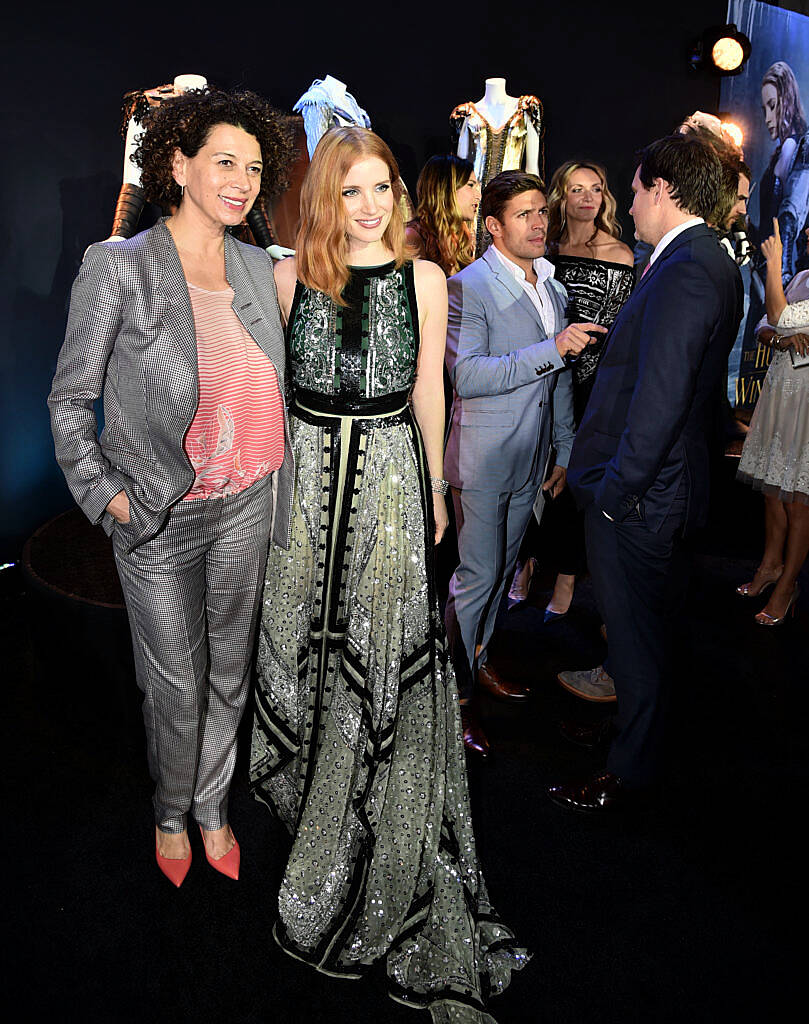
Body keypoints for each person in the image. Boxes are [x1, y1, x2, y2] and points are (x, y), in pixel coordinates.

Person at [249, 126, 528, 1019]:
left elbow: (428, 392)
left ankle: (376, 813)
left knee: (381, 653)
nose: (369, 207)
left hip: (389, 484)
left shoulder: (425, 280)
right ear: (324, 199)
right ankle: (311, 797)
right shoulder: (290, 275)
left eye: (381, 189)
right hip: (305, 484)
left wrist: (440, 491)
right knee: (300, 650)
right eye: (351, 192)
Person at [48, 88, 295, 886]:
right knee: (176, 684)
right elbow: (67, 399)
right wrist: (107, 495)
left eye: (255, 168)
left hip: (249, 503)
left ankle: (214, 807)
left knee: (231, 670)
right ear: (179, 165)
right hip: (158, 515)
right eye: (225, 162)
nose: (242, 180)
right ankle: (169, 810)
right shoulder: (117, 266)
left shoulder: (260, 264)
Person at [549, 134, 743, 812]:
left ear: (662, 188)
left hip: (641, 494)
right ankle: (628, 733)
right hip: (661, 486)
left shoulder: (688, 265)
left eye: (632, 190)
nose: (626, 204)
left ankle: (628, 771)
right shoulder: (705, 257)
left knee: (635, 638)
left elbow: (661, 396)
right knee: (643, 631)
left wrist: (613, 492)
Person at [442, 169, 605, 756]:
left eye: (542, 211)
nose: (539, 222)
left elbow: (558, 379)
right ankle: (451, 696)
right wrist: (553, 348)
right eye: (524, 214)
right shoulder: (468, 287)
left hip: (532, 458)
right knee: (477, 578)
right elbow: (468, 375)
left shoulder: (552, 286)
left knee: (503, 569)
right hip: (484, 458)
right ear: (493, 225)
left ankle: (478, 661)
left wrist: (562, 446)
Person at [528, 160, 634, 628]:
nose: (588, 198)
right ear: (561, 198)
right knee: (531, 470)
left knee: (569, 481)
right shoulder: (542, 249)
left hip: (590, 385)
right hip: (538, 377)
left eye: (596, 189)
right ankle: (526, 562)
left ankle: (567, 576)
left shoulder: (617, 251)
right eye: (577, 189)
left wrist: (578, 373)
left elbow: (616, 332)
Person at [736, 219, 809, 624]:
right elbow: (768, 328)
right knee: (772, 491)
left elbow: (778, 314)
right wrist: (782, 339)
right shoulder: (801, 277)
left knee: (800, 502)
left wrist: (773, 262)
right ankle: (769, 566)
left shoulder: (787, 273)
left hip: (807, 407)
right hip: (781, 394)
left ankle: (788, 586)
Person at [758, 62, 809, 284]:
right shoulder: (785, 149)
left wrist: (781, 275)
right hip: (769, 272)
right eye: (765, 109)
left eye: (773, 106)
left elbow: (789, 215)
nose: (768, 118)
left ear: (786, 101)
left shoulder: (794, 146)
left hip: (778, 276)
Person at [406, 153, 480, 276]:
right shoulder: (412, 237)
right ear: (446, 188)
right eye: (471, 185)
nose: (478, 196)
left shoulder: (461, 234)